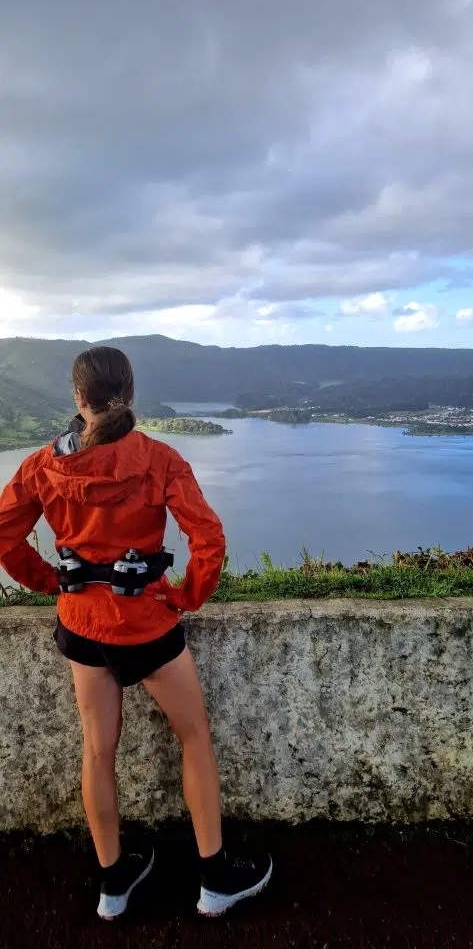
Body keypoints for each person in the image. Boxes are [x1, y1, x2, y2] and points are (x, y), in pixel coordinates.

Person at [0, 346, 272, 921]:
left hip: (82, 628)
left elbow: (4, 537)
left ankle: (113, 883)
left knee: (98, 752)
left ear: (79, 398)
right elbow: (209, 538)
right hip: (148, 627)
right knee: (194, 737)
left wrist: (51, 580)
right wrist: (186, 595)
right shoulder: (159, 458)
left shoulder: (42, 466)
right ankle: (215, 879)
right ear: (130, 391)